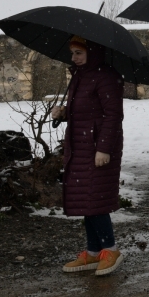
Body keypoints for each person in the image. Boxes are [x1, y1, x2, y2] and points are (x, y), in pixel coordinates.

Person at [51, 36, 125, 276]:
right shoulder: (79, 76)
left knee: (95, 198)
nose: (73, 57)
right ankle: (94, 252)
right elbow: (84, 111)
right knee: (86, 198)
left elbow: (113, 115)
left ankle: (111, 249)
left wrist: (103, 148)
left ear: (92, 52)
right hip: (79, 146)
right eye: (72, 53)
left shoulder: (106, 77)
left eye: (78, 53)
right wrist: (64, 113)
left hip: (97, 147)